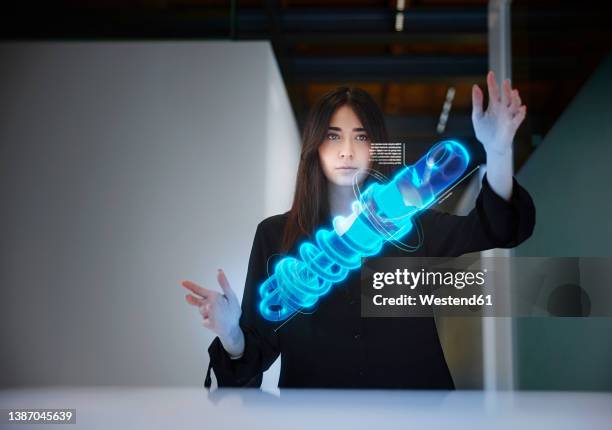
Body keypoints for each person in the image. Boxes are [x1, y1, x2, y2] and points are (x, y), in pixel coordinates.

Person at [181, 71, 535, 389]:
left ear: (374, 147)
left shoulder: (411, 225)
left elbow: (498, 229)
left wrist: (499, 152)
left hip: (418, 415)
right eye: (334, 137)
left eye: (360, 137)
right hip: (316, 419)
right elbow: (253, 359)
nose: (347, 151)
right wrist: (231, 334)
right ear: (316, 147)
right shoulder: (276, 236)